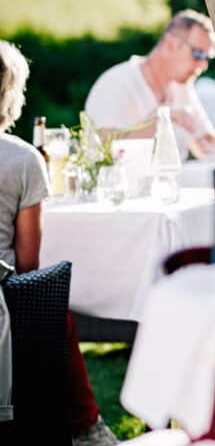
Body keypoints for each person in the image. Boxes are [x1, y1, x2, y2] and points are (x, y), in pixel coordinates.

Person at [0, 40, 118, 445]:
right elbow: (28, 261)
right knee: (56, 315)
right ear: (11, 93)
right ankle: (87, 426)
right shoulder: (21, 159)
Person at [84, 10, 215, 161]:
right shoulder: (117, 83)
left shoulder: (181, 85)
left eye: (207, 57)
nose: (203, 65)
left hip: (171, 182)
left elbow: (207, 143)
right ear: (169, 44)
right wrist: (161, 119)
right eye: (198, 54)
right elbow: (103, 148)